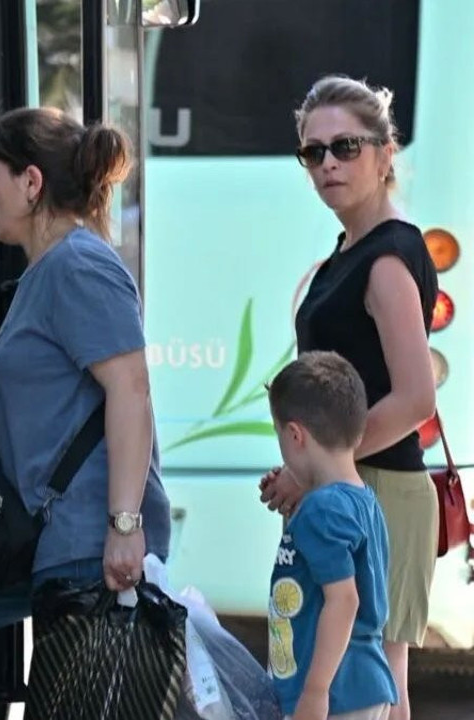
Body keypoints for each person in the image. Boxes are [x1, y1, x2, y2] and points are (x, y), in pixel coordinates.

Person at [0, 106, 172, 687]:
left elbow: (131, 388)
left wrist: (124, 526)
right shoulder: (44, 272)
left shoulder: (78, 264)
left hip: (91, 546)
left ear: (31, 182)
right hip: (58, 543)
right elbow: (11, 396)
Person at [260, 75, 438, 720]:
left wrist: (318, 468)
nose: (328, 163)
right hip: (359, 483)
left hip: (381, 488)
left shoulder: (387, 257)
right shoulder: (350, 249)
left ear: (386, 153)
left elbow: (416, 396)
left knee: (374, 687)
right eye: (313, 152)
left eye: (346, 147)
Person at [266, 350, 397, 720]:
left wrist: (315, 691)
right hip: (362, 683)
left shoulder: (322, 509)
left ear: (295, 435)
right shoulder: (361, 500)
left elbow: (344, 600)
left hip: (337, 694)